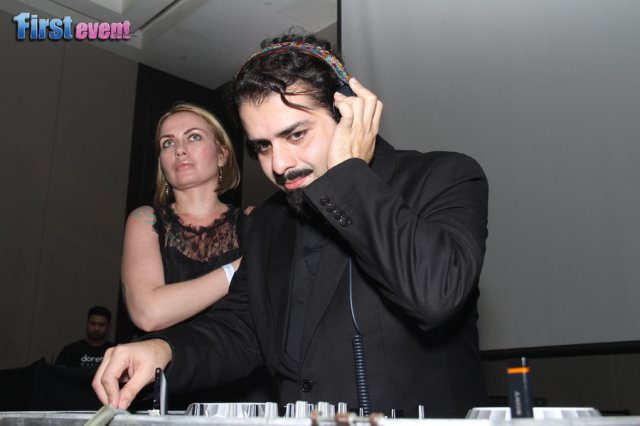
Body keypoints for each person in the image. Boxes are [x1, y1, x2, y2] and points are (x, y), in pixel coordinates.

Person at [94, 33, 489, 418]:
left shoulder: (444, 176)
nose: (279, 165)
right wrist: (164, 351)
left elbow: (435, 294)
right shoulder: (268, 221)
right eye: (263, 146)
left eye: (296, 134)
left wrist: (349, 175)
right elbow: (241, 328)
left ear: (348, 115)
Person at [121, 103, 243, 333]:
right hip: (162, 356)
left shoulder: (252, 221)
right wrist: (238, 268)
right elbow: (148, 313)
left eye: (194, 137)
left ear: (222, 155)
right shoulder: (145, 221)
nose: (179, 150)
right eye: (168, 143)